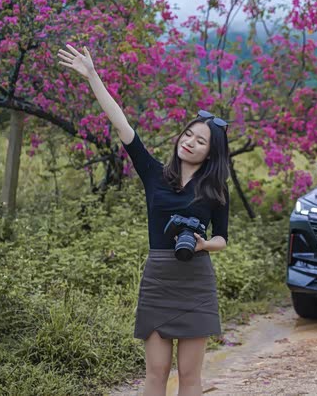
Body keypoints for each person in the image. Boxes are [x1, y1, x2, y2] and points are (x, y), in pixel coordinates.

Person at [57, 44, 229, 396]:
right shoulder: (154, 174)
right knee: (155, 374)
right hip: (159, 279)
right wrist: (92, 75)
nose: (190, 142)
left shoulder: (215, 189)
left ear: (211, 153)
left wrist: (204, 244)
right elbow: (121, 123)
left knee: (190, 377)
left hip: (196, 280)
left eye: (200, 141)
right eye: (188, 134)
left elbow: (222, 238)